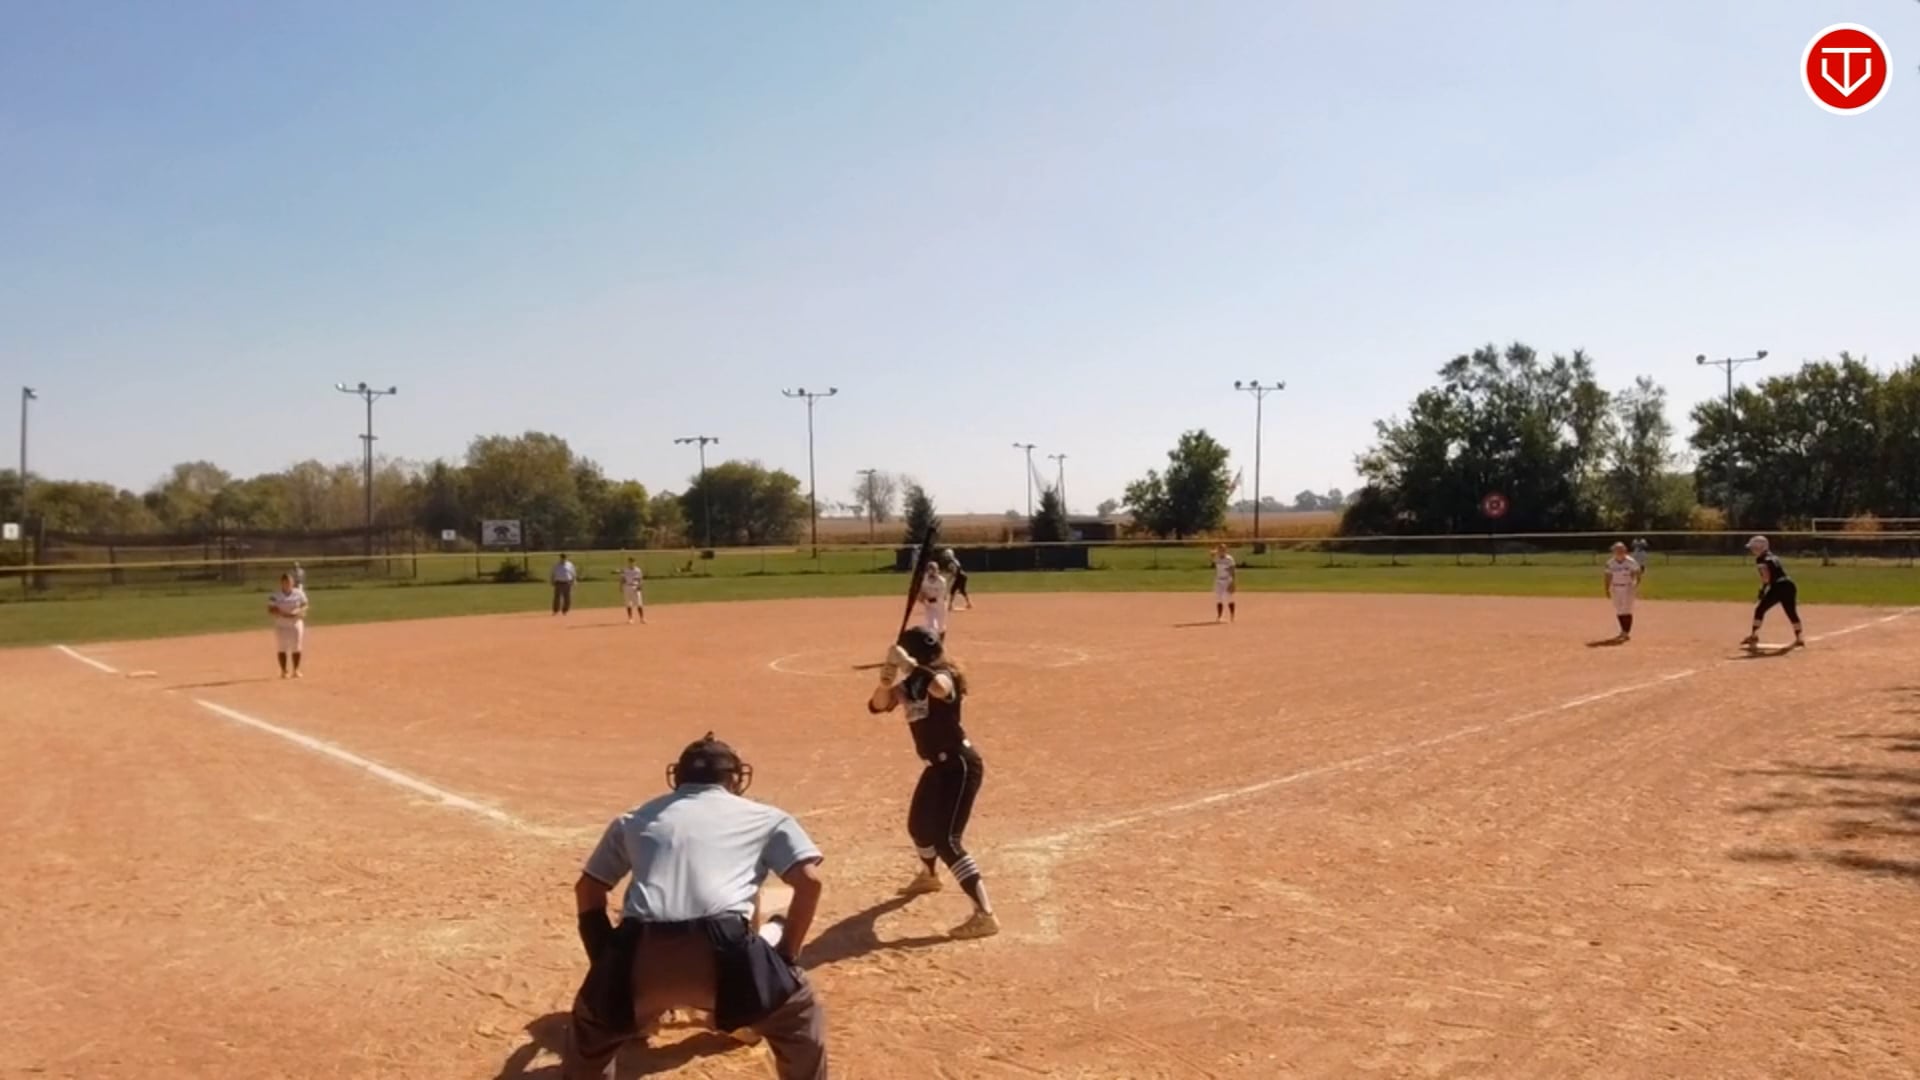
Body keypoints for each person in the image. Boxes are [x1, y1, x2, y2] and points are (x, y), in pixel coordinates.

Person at [564, 733, 828, 1080]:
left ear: (678, 776)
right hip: (730, 957)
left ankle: (636, 1015)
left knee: (590, 1031)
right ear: (735, 779)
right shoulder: (767, 817)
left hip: (639, 953)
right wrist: (787, 957)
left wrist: (606, 963)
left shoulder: (634, 818)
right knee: (798, 1018)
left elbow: (588, 889)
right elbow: (809, 882)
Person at [868, 628, 999, 940]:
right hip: (936, 767)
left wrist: (909, 666)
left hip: (959, 765)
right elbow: (877, 705)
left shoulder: (944, 675)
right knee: (918, 827)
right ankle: (929, 875)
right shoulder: (911, 683)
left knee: (947, 841)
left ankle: (985, 915)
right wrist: (885, 681)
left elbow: (941, 690)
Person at [1742, 536, 1805, 649]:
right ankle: (1799, 637)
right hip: (1789, 584)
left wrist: (1762, 589)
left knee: (1760, 609)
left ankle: (1754, 635)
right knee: (1791, 612)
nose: (1752, 550)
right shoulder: (1773, 556)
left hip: (1778, 586)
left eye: (1754, 548)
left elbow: (1766, 577)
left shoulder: (1761, 559)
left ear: (1760, 547)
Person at [266, 572, 309, 679]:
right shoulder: (275, 595)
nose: (287, 584)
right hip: (281, 624)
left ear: (292, 582)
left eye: (289, 582)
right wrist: (282, 613)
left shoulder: (299, 593)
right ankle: (284, 671)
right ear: (281, 583)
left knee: (296, 646)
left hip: (295, 622)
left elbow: (305, 604)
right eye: (285, 582)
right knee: (282, 647)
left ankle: (296, 670)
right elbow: (270, 608)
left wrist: (298, 611)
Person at [1603, 541, 1643, 642]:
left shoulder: (1630, 561)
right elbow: (1608, 576)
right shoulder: (1610, 563)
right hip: (1615, 587)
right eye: (1617, 550)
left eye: (1621, 549)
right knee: (1619, 610)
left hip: (1627, 587)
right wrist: (1607, 589)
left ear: (1625, 550)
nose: (1619, 551)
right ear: (1613, 551)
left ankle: (1626, 631)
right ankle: (1623, 630)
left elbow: (1637, 572)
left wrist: (1636, 584)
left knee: (1627, 609)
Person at [918, 558, 949, 640]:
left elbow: (940, 597)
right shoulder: (924, 580)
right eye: (930, 570)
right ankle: (933, 642)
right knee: (930, 625)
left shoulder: (942, 581)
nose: (932, 572)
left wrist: (925, 600)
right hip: (929, 605)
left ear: (937, 571)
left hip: (940, 605)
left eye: (934, 570)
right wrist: (920, 596)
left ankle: (941, 642)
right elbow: (920, 591)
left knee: (940, 626)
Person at [1211, 543, 1237, 623]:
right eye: (1220, 549)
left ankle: (1232, 616)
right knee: (1219, 599)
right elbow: (1211, 554)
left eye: (1223, 549)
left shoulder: (1229, 559)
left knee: (1230, 598)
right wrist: (1214, 552)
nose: (1221, 551)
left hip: (1227, 580)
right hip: (1218, 580)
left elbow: (1233, 570)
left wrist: (1233, 582)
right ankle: (1219, 616)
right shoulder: (1216, 558)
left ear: (1226, 550)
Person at [618, 557, 646, 624]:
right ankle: (630, 619)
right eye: (630, 562)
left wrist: (640, 585)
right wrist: (620, 586)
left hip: (635, 587)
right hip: (627, 586)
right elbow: (622, 579)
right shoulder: (625, 570)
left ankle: (642, 618)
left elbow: (640, 579)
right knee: (628, 603)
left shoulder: (638, 570)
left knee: (639, 603)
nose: (631, 563)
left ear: (635, 562)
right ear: (628, 562)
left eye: (633, 562)